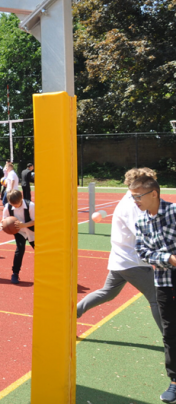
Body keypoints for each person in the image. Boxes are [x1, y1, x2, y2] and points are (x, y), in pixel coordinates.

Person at [76, 168, 162, 332]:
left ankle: (71, 315)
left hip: (122, 259)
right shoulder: (132, 205)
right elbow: (144, 233)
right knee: (156, 299)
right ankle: (171, 342)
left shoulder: (132, 201)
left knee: (107, 293)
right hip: (133, 262)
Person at [131, 173, 176, 403]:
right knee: (170, 332)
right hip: (163, 282)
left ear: (154, 193)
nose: (135, 201)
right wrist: (169, 257)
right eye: (133, 197)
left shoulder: (174, 211)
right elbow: (144, 252)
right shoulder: (140, 221)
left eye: (138, 196)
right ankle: (175, 381)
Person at [0, 190, 35, 284]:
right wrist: (2, 225)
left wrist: (23, 225)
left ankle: (50, 272)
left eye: (17, 204)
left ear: (21, 199)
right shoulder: (8, 206)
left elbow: (36, 221)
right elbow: (4, 219)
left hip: (32, 230)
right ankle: (15, 273)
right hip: (19, 231)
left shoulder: (30, 205)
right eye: (13, 204)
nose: (15, 206)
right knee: (19, 250)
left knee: (41, 252)